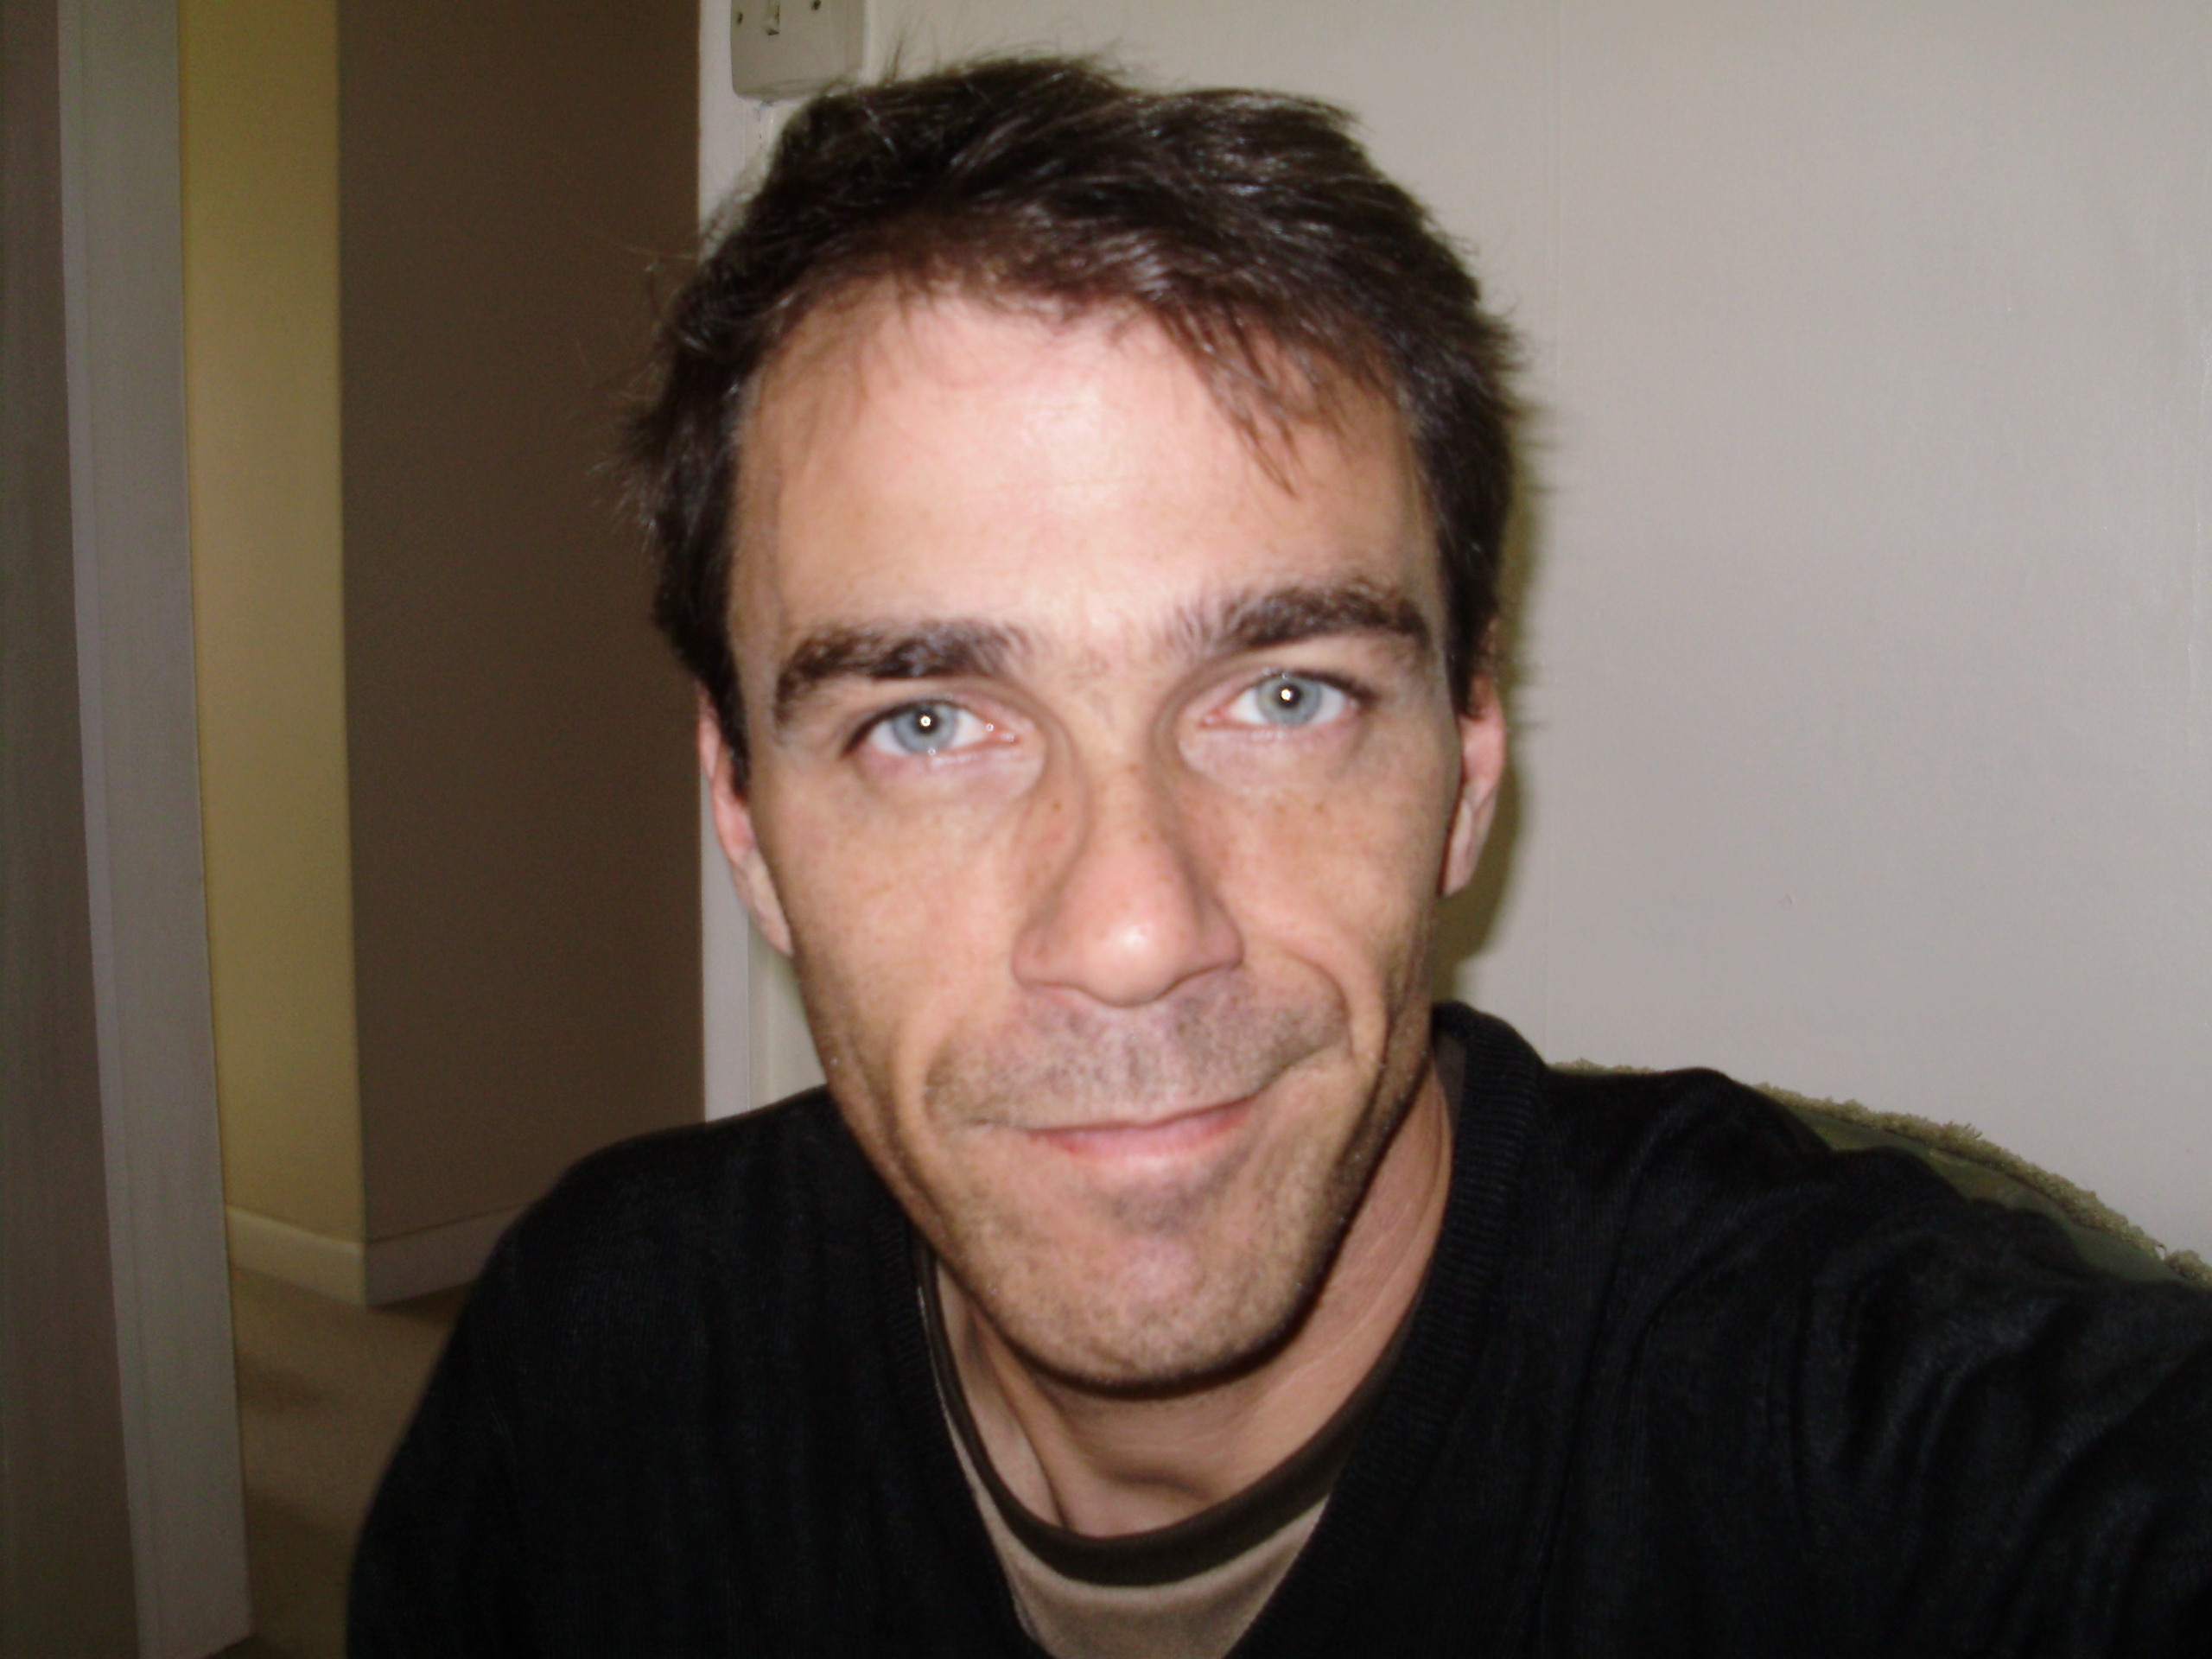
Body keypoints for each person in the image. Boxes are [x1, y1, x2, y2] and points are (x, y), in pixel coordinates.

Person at [351, 55, 2212, 1656]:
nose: (1133, 932)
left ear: (1468, 759)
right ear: (745, 818)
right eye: (926, 723)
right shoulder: (596, 1359)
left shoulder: (1865, 1426)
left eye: (1283, 697)